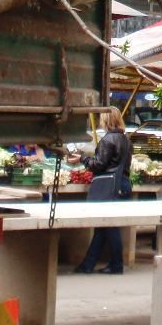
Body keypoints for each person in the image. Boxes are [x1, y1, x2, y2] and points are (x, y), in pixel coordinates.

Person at [68, 107, 133, 274]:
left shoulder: (108, 139)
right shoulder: (126, 140)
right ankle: (88, 264)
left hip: (108, 187)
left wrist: (82, 158)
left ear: (105, 120)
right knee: (103, 227)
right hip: (123, 184)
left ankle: (117, 265)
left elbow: (98, 164)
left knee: (109, 226)